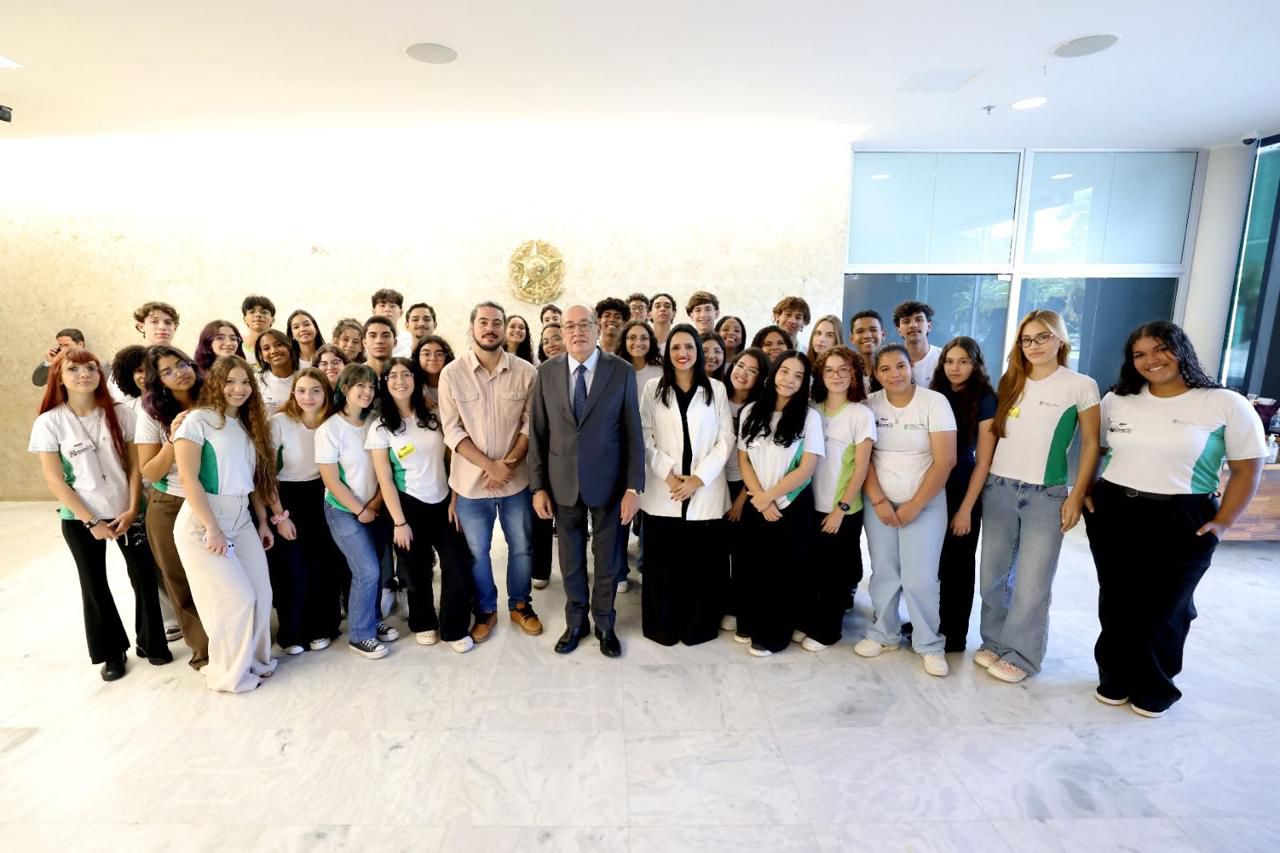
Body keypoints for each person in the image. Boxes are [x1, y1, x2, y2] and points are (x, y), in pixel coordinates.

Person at [1084, 321, 1266, 717]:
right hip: (1115, 509)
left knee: (1166, 607)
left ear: (1181, 350)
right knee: (1117, 600)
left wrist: (1223, 522)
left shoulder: (1224, 403)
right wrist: (1085, 490)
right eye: (1140, 354)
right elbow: (1096, 450)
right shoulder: (1118, 399)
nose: (1151, 360)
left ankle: (1154, 688)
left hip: (1182, 514)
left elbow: (1247, 470)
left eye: (1160, 349)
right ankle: (1114, 677)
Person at [29, 349, 170, 681]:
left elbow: (134, 467)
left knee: (144, 578)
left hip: (128, 510)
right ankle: (111, 653)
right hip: (81, 518)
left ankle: (152, 642)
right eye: (74, 368)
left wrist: (133, 508)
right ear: (59, 377)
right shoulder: (49, 422)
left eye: (91, 368)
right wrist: (91, 521)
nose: (84, 374)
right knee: (94, 584)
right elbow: (54, 480)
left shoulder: (121, 413)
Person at [978, 310, 1100, 684]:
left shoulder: (1080, 385)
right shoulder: (1012, 380)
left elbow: (1091, 444)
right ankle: (995, 641)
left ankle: (1023, 654)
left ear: (1060, 339)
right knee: (993, 576)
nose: (1034, 346)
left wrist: (1076, 495)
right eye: (1027, 339)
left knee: (1032, 582)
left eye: (1042, 337)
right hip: (999, 488)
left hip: (1045, 494)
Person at [530, 303, 644, 657]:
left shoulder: (620, 370)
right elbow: (538, 433)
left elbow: (633, 432)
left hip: (609, 483)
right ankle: (575, 621)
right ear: (561, 332)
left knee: (607, 559)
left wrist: (633, 487)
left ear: (597, 329)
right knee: (570, 560)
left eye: (584, 325)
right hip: (562, 482)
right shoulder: (546, 372)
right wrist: (538, 486)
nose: (577, 332)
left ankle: (605, 622)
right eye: (569, 326)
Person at [171, 355, 279, 692]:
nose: (238, 389)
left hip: (242, 517)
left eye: (245, 382)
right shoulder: (198, 420)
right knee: (237, 599)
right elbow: (188, 478)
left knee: (261, 593)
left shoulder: (247, 424)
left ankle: (256, 662)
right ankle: (230, 675)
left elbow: (253, 480)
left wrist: (263, 522)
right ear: (216, 383)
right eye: (230, 381)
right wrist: (212, 528)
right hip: (204, 521)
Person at [438, 301, 541, 643]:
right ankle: (485, 609)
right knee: (477, 553)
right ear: (472, 328)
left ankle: (520, 604)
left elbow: (531, 423)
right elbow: (451, 430)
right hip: (471, 485)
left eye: (497, 322)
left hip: (515, 482)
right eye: (483, 322)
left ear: (504, 328)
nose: (490, 328)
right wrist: (489, 466)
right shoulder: (452, 373)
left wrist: (507, 464)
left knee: (522, 547)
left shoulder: (526, 371)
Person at [857, 344, 956, 676]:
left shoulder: (934, 402)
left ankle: (929, 643)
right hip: (880, 503)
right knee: (884, 571)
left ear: (910, 366)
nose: (894, 374)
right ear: (876, 373)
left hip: (926, 504)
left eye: (900, 366)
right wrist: (879, 501)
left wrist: (915, 505)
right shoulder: (869, 405)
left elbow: (946, 461)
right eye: (885, 369)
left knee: (920, 577)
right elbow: (864, 460)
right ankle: (884, 633)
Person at [369, 357, 477, 653]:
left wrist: (454, 497)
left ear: (415, 380)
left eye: (406, 374)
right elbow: (385, 480)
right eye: (393, 376)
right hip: (407, 505)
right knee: (416, 571)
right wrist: (399, 522)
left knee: (457, 564)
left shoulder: (433, 416)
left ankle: (455, 627)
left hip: (443, 502)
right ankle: (424, 622)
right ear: (385, 383)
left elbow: (452, 459)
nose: (400, 381)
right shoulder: (380, 428)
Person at [638, 324, 733, 646]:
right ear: (667, 353)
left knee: (701, 568)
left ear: (699, 352)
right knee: (663, 567)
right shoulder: (652, 388)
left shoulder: (716, 389)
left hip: (704, 490)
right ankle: (662, 628)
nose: (683, 353)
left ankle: (698, 628)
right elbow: (644, 435)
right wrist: (668, 474)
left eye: (689, 347)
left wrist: (697, 479)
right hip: (664, 489)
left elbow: (725, 440)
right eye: (676, 347)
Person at [736, 351, 823, 657]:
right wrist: (759, 497)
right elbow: (744, 458)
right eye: (785, 371)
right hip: (757, 500)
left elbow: (807, 467)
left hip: (792, 503)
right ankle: (749, 624)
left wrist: (769, 496)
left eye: (798, 376)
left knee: (783, 573)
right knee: (753, 568)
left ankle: (773, 637)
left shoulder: (810, 417)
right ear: (773, 373)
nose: (789, 380)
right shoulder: (750, 411)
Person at [317, 363, 399, 659]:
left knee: (374, 568)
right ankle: (360, 635)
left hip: (374, 507)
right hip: (343, 510)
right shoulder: (329, 429)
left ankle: (372, 619)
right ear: (345, 389)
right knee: (367, 570)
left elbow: (385, 470)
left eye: (371, 386)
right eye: (360, 385)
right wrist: (359, 509)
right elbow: (330, 479)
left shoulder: (376, 421)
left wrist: (374, 504)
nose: (367, 391)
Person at [137, 346, 211, 668]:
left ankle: (236, 644)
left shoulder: (214, 397)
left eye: (181, 365)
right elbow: (150, 471)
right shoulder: (151, 413)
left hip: (217, 499)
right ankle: (205, 653)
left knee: (221, 578)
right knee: (180, 580)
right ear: (158, 381)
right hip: (171, 503)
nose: (179, 373)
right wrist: (172, 438)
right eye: (167, 371)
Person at [266, 369, 344, 655]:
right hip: (287, 498)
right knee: (293, 569)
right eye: (301, 390)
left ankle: (323, 627)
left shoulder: (333, 421)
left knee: (324, 564)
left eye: (315, 390)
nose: (307, 397)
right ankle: (292, 632)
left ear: (326, 393)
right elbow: (266, 474)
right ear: (293, 393)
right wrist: (279, 516)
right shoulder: (279, 423)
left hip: (324, 493)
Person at [802, 346, 874, 651]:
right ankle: (810, 622)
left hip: (842, 509)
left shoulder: (861, 414)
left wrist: (840, 509)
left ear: (854, 373)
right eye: (829, 370)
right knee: (812, 570)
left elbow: (861, 468)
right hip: (809, 505)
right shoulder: (812, 410)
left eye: (844, 369)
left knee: (835, 574)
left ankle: (827, 632)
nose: (836, 376)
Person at [110, 345, 182, 641]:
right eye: (138, 371)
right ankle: (170, 616)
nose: (144, 376)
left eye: (149, 369)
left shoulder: (172, 399)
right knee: (155, 558)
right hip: (142, 488)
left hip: (174, 486)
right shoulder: (127, 410)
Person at [930, 337, 997, 653]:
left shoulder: (985, 399)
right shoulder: (935, 394)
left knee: (958, 564)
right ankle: (932, 623)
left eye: (963, 361)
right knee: (934, 561)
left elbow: (984, 460)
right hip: (933, 483)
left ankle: (954, 633)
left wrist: (966, 509)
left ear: (975, 364)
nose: (955, 368)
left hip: (963, 487)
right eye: (949, 361)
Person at [720, 347, 767, 637]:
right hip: (713, 481)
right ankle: (718, 602)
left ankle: (736, 607)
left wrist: (740, 501)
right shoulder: (715, 396)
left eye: (752, 370)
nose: (743, 373)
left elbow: (758, 460)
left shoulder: (760, 407)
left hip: (744, 486)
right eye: (740, 365)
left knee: (740, 552)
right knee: (716, 550)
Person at [531, 324, 565, 590]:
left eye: (556, 338)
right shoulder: (540, 373)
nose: (551, 344)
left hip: (571, 462)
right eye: (546, 340)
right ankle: (541, 569)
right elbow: (537, 425)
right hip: (545, 457)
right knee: (541, 516)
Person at [893, 300, 942, 387]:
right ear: (899, 330)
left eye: (919, 320)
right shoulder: (891, 360)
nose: (913, 325)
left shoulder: (943, 357)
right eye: (906, 321)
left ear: (929, 326)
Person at [254, 329, 299, 417]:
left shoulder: (304, 378)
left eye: (279, 345)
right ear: (261, 355)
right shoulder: (255, 380)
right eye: (266, 348)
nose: (274, 351)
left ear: (289, 347)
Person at [850, 310, 888, 395]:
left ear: (883, 335)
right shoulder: (845, 371)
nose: (867, 336)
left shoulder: (893, 370)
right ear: (852, 338)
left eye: (873, 330)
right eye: (860, 331)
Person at [413, 335, 455, 411]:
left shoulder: (456, 382)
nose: (433, 358)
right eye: (426, 354)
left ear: (446, 357)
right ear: (417, 357)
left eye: (439, 354)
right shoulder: (412, 384)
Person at [370, 287, 412, 358]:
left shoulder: (410, 341)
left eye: (392, 306)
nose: (387, 309)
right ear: (374, 312)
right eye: (382, 305)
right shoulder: (367, 340)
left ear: (401, 313)